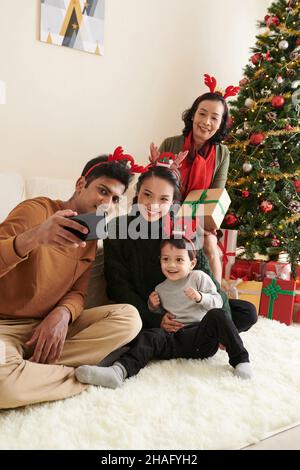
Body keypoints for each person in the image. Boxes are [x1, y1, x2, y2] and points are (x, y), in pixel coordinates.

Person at [0, 150, 142, 409]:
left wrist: (63, 314)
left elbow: (78, 292)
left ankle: (29, 370)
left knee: (129, 318)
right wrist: (34, 237)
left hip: (49, 328)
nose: (106, 204)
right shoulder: (36, 210)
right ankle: (83, 378)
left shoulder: (90, 235)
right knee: (2, 385)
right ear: (80, 185)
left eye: (114, 198)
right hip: (4, 327)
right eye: (102, 191)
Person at [100, 162, 256, 340]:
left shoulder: (183, 226)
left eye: (163, 199)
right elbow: (117, 286)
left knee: (247, 312)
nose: (153, 205)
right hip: (147, 309)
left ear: (173, 202)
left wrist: (224, 324)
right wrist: (155, 318)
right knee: (135, 328)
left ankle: (192, 332)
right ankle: (182, 335)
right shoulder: (117, 227)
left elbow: (206, 275)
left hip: (189, 306)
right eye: (147, 195)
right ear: (138, 192)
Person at [75, 237, 252, 388]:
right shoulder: (161, 288)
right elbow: (163, 314)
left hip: (199, 336)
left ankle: (241, 360)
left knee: (218, 315)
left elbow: (218, 302)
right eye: (166, 259)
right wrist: (153, 307)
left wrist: (200, 297)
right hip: (174, 339)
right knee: (149, 337)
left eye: (179, 260)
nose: (171, 265)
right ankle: (118, 371)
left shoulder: (197, 277)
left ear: (192, 263)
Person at [152, 74, 240, 284]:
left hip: (198, 215)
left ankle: (217, 302)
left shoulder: (223, 154)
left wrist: (201, 220)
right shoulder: (170, 144)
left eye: (214, 118)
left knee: (211, 246)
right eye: (202, 114)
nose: (207, 122)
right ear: (193, 115)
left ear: (221, 124)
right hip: (168, 211)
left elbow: (214, 195)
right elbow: (157, 187)